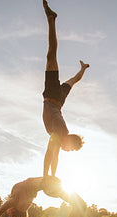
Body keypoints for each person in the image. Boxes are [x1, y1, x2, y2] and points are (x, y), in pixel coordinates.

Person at [42, 0, 90, 177]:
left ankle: (83, 68)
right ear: (69, 141)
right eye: (71, 150)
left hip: (58, 100)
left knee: (73, 81)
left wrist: (52, 176)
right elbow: (50, 154)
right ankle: (51, 20)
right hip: (53, 96)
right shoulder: (60, 133)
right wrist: (47, 176)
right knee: (51, 55)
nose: (68, 152)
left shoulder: (59, 137)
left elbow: (54, 156)